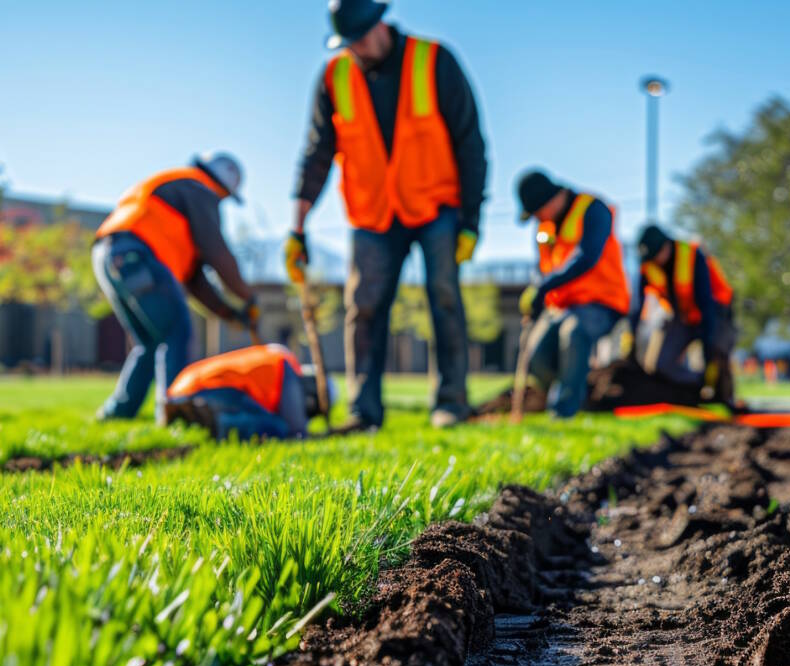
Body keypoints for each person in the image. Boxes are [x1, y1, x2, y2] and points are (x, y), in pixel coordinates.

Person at [286, 0, 487, 429]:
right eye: (348, 43)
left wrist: (471, 220)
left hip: (436, 208)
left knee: (444, 299)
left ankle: (451, 403)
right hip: (372, 216)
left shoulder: (434, 61)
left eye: (360, 39)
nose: (355, 50)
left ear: (380, 23)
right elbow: (316, 155)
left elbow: (470, 143)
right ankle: (364, 411)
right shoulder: (334, 76)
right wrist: (297, 229)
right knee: (364, 309)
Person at [93, 152, 258, 421]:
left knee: (150, 341)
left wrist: (230, 313)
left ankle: (118, 413)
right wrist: (247, 295)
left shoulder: (181, 192)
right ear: (224, 186)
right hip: (138, 255)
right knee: (177, 333)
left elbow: (195, 279)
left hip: (110, 256)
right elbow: (217, 251)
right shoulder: (199, 188)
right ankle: (175, 413)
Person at [515, 170, 631, 418]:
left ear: (551, 200)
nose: (537, 218)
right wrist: (537, 292)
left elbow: (586, 257)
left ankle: (564, 412)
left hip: (602, 303)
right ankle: (578, 391)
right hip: (562, 306)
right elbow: (543, 267)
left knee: (574, 332)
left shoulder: (593, 209)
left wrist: (544, 286)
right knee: (537, 355)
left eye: (537, 211)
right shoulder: (544, 227)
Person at [633, 224, 735, 402]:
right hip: (683, 316)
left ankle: (723, 395)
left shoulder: (692, 256)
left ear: (666, 247)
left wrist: (707, 353)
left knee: (717, 354)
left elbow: (706, 307)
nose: (654, 261)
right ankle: (694, 388)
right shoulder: (648, 265)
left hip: (715, 314)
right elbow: (637, 305)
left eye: (656, 255)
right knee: (660, 364)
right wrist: (631, 341)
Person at [164, 344, 336, 441]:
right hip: (207, 391)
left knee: (262, 414)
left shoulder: (275, 356)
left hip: (183, 388)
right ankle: (219, 423)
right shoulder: (286, 368)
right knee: (278, 427)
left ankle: (195, 417)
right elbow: (296, 428)